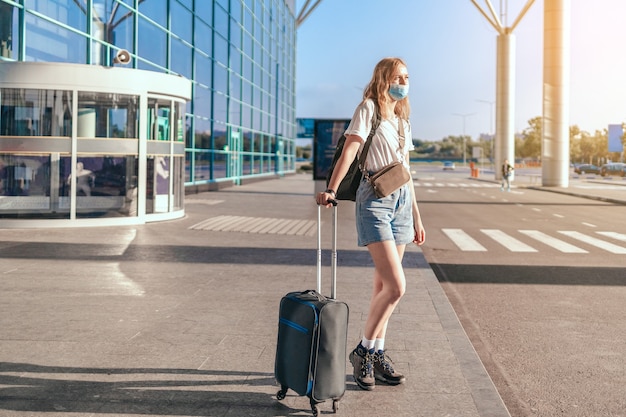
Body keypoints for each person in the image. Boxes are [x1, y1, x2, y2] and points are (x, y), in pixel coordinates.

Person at [316, 57, 426, 391]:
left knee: (383, 288)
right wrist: (331, 189)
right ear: (383, 78)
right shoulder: (368, 110)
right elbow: (350, 150)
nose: (403, 83)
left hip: (402, 203)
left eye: (406, 77)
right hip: (374, 202)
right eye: (397, 77)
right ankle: (363, 350)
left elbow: (407, 172)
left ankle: (376, 354)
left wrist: (418, 217)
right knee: (397, 286)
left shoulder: (404, 121)